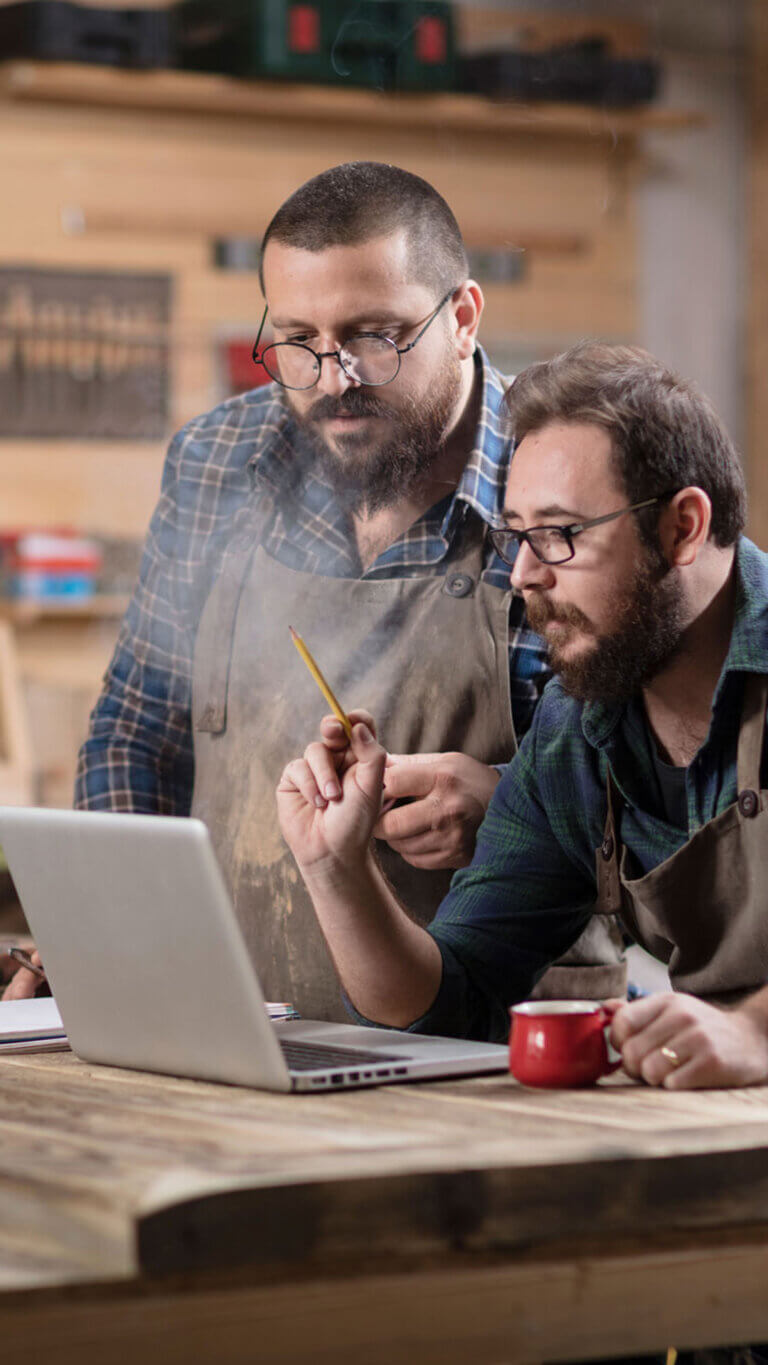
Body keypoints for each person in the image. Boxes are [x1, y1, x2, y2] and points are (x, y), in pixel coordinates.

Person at [68, 162, 623, 1021]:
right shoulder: (217, 464)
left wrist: (515, 810)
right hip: (234, 1030)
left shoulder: (568, 483)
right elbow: (137, 732)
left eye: (376, 336)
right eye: (297, 340)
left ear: (465, 317)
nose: (335, 378)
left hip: (497, 1054)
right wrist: (121, 940)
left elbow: (670, 791)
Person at [277, 339, 768, 1089]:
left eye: (561, 534)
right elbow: (452, 1002)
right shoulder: (578, 732)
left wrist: (754, 1031)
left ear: (683, 528)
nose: (525, 574)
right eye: (516, 535)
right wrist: (335, 869)